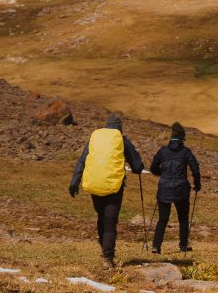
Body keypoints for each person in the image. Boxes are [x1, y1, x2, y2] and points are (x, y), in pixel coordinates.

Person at [68, 114, 144, 270]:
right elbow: (137, 166)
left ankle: (104, 248)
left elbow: (82, 160)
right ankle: (107, 257)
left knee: (101, 217)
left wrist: (74, 182)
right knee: (110, 221)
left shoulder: (94, 139)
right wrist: (137, 167)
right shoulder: (121, 140)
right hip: (114, 188)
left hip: (95, 184)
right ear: (119, 129)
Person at [148, 122, 201, 254]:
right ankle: (183, 246)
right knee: (183, 219)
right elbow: (195, 169)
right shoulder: (186, 152)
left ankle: (156, 246)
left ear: (171, 138)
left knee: (162, 219)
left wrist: (163, 174)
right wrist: (197, 184)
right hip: (181, 189)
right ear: (182, 138)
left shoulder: (162, 151)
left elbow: (153, 168)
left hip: (164, 188)